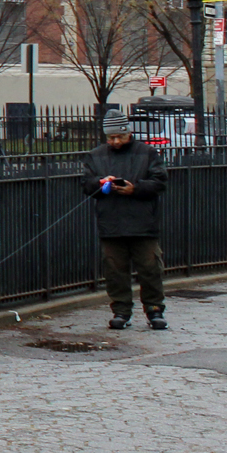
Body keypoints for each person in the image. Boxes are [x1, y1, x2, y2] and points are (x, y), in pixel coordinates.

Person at [82, 110, 168, 330]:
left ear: (128, 133)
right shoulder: (96, 155)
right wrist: (101, 184)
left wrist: (135, 189)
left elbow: (160, 182)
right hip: (111, 223)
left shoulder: (147, 153)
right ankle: (121, 311)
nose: (115, 141)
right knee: (114, 270)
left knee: (150, 268)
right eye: (111, 138)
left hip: (143, 224)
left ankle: (154, 309)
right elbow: (87, 185)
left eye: (119, 136)